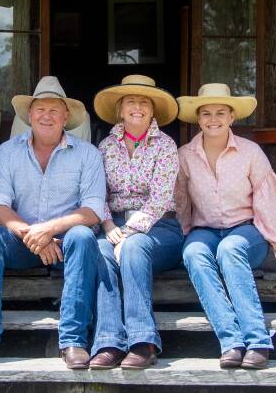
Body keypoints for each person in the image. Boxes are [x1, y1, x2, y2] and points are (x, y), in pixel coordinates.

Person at [0, 76, 107, 370]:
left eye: (54, 110)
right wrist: (34, 233)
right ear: (29, 115)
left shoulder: (87, 154)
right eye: (40, 109)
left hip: (66, 244)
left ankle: (73, 340)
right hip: (22, 240)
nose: (47, 116)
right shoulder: (8, 151)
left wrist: (50, 229)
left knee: (83, 236)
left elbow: (93, 210)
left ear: (66, 116)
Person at [174, 83, 276, 370]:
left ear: (232, 118)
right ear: (198, 119)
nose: (213, 119)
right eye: (206, 113)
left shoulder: (250, 152)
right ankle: (231, 342)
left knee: (229, 249)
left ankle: (258, 341)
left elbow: (268, 199)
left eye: (220, 113)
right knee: (193, 254)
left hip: (246, 231)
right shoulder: (185, 155)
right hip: (205, 229)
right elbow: (181, 200)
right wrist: (185, 234)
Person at [86, 75, 183, 370]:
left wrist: (127, 233)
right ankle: (108, 342)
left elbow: (160, 199)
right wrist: (107, 227)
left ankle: (143, 342)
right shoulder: (104, 146)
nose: (137, 107)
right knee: (100, 252)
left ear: (153, 111)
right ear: (120, 109)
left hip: (159, 227)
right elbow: (95, 191)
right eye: (131, 101)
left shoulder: (166, 146)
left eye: (144, 102)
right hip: (112, 225)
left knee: (133, 248)